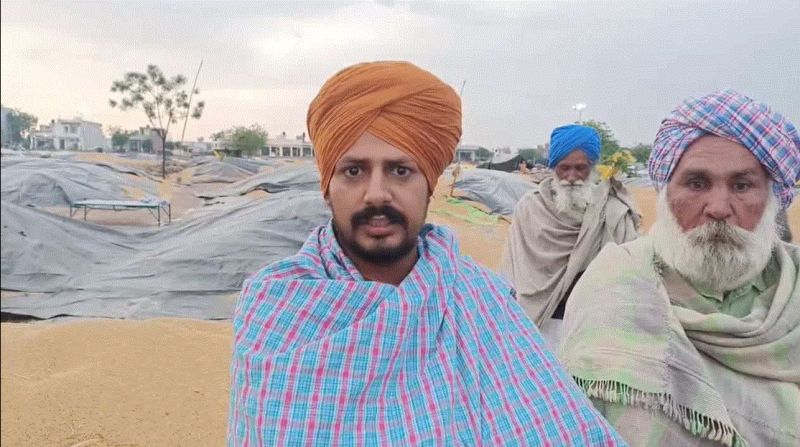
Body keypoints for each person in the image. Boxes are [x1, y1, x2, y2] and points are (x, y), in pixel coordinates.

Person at [227, 61, 624, 446]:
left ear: (429, 185)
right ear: (327, 186)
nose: (377, 194)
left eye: (400, 171)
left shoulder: (480, 300)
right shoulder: (276, 307)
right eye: (354, 171)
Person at [559, 89, 800, 446]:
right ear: (666, 192)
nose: (718, 207)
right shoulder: (613, 287)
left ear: (771, 198)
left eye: (742, 185)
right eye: (696, 183)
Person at [499, 124, 640, 345]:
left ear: (592, 167)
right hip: (535, 327)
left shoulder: (615, 212)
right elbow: (511, 273)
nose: (571, 176)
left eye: (580, 168)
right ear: (553, 167)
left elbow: (631, 279)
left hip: (596, 331)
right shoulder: (529, 208)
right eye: (564, 168)